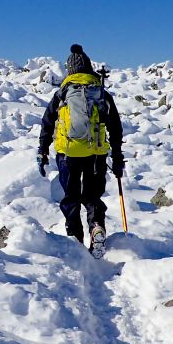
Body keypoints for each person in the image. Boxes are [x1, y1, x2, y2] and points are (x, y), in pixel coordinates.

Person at [37, 44, 125, 255]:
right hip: (96, 154)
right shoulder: (101, 93)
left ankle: (75, 241)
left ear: (69, 70)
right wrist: (118, 155)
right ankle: (96, 227)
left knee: (71, 197)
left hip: (68, 155)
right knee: (93, 196)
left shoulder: (63, 93)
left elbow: (47, 122)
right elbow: (115, 126)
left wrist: (43, 150)